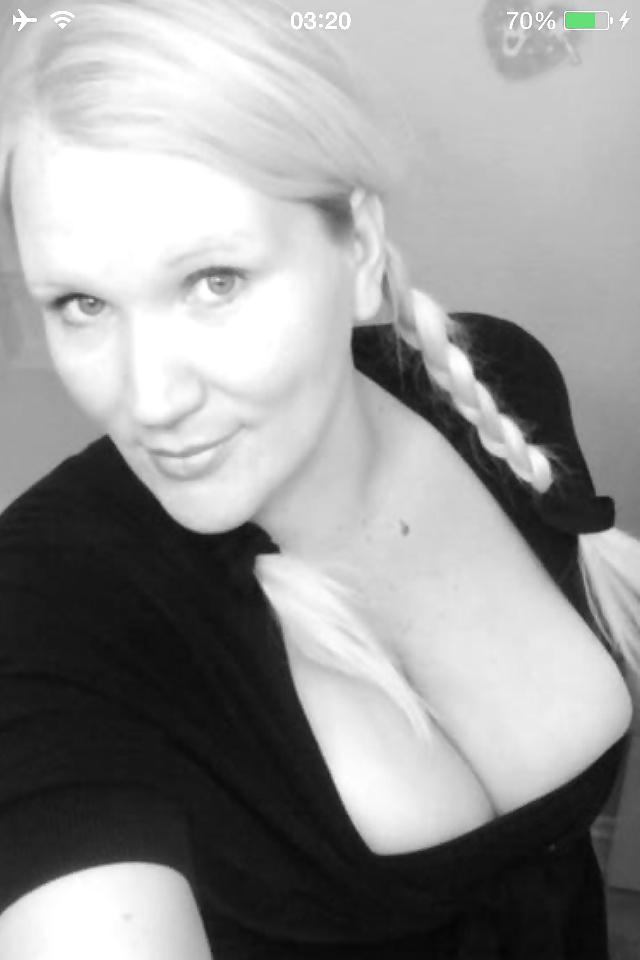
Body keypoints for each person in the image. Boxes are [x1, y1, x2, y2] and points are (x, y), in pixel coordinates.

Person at [0, 1, 638, 957]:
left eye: (215, 280)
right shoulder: (48, 606)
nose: (149, 399)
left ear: (360, 250)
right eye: (82, 303)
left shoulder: (499, 383)